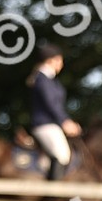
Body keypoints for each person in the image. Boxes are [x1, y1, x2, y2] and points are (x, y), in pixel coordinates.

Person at [28, 42, 82, 180]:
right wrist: (65, 122)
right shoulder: (43, 80)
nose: (61, 64)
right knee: (62, 155)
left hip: (52, 125)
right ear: (52, 60)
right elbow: (51, 104)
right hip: (45, 125)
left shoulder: (50, 80)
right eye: (60, 60)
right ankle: (53, 193)